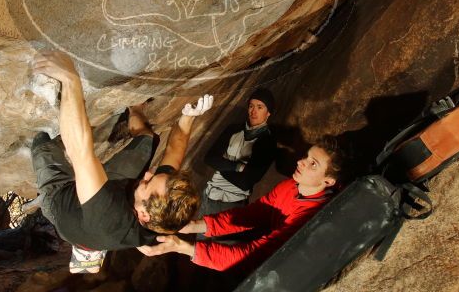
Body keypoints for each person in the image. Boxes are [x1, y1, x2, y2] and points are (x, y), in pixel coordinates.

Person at [26, 51, 212, 273]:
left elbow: (80, 151)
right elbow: (174, 150)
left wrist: (70, 78)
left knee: (42, 142)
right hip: (115, 198)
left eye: (147, 183)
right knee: (147, 140)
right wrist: (189, 117)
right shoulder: (164, 211)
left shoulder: (110, 217)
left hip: (62, 201)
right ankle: (135, 109)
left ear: (144, 215)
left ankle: (87, 248)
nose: (147, 174)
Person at [137, 137, 344, 272]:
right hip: (263, 246)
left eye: (312, 164)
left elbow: (254, 254)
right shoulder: (290, 186)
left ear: (328, 181)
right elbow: (254, 214)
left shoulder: (312, 217)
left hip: (279, 269)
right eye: (306, 157)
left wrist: (182, 247)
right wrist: (196, 225)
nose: (300, 162)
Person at [201, 87, 277, 216]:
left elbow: (246, 182)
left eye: (260, 107)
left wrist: (221, 166)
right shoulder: (233, 129)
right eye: (251, 106)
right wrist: (239, 166)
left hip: (233, 203)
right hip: (209, 195)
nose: (253, 111)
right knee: (200, 236)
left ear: (268, 112)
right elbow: (209, 158)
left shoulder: (268, 141)